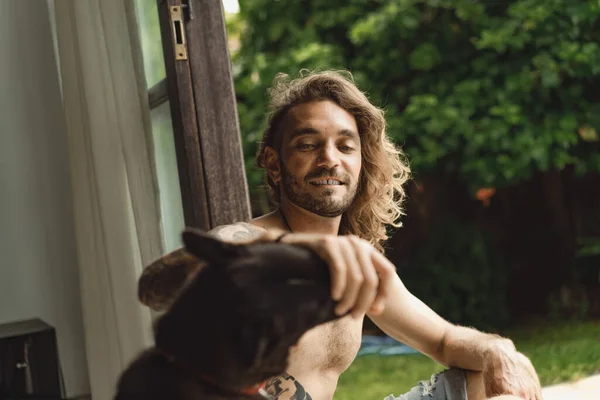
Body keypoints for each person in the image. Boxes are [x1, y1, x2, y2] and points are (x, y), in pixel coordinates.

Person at [138, 70, 541, 400]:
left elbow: (444, 340)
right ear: (274, 165)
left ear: (360, 163)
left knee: (492, 383)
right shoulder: (248, 245)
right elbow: (154, 285)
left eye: (345, 146)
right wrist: (295, 252)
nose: (329, 158)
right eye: (309, 144)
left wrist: (497, 350)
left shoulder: (357, 262)